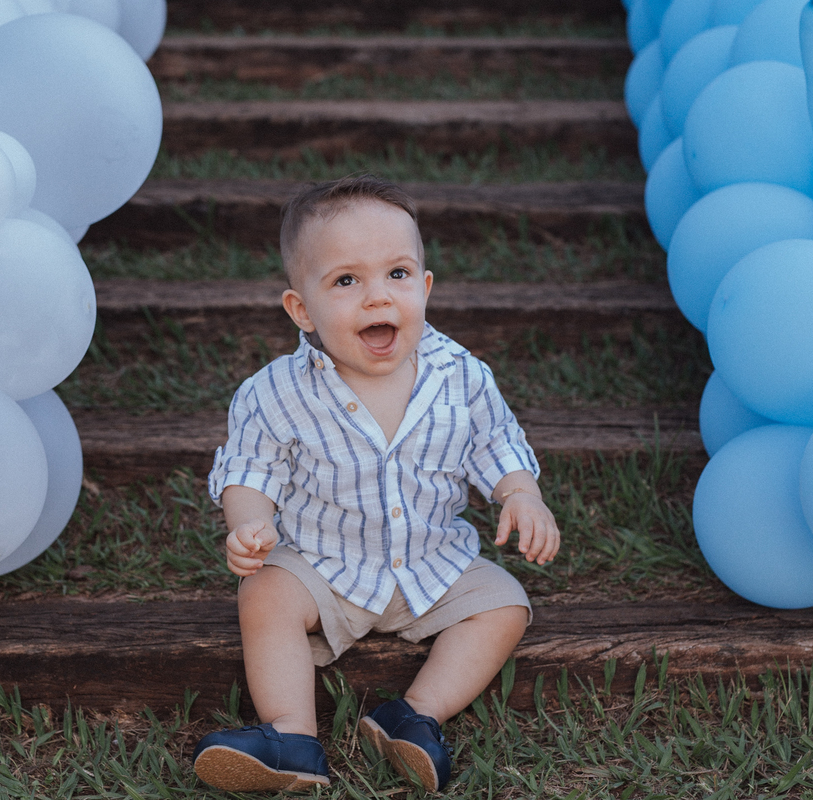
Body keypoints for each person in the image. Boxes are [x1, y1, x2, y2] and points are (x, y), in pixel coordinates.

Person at [193, 175, 560, 793]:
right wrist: (249, 522)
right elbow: (250, 469)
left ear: (425, 287)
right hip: (323, 567)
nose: (377, 297)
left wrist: (520, 493)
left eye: (397, 273)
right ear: (301, 309)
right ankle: (291, 735)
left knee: (504, 604)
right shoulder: (275, 392)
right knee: (265, 594)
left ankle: (414, 716)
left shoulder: (460, 376)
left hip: (431, 562)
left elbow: (496, 443)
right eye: (346, 281)